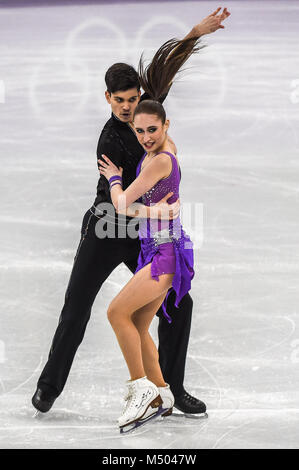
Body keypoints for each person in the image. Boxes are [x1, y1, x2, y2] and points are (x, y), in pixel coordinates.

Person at [32, 7, 230, 417]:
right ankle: (48, 387)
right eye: (120, 101)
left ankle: (170, 389)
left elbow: (167, 65)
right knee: (77, 306)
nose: (128, 109)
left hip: (142, 232)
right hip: (108, 227)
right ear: (108, 98)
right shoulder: (109, 141)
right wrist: (161, 211)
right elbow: (119, 203)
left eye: (133, 99)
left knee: (179, 303)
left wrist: (196, 31)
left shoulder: (147, 113)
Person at [98, 35, 206, 431]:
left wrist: (113, 178)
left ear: (166, 125)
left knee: (116, 313)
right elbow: (160, 86)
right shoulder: (161, 148)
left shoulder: (157, 162)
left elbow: (122, 204)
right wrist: (194, 34)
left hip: (163, 256)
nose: (144, 136)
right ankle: (161, 391)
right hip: (161, 249)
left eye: (151, 129)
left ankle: (139, 388)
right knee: (140, 324)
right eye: (140, 130)